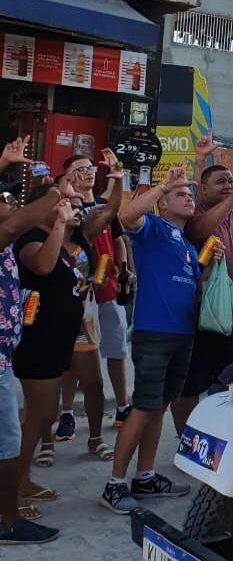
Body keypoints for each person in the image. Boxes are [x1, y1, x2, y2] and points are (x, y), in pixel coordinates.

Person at [100, 163, 223, 514]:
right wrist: (162, 186)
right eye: (180, 194)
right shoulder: (153, 227)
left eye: (189, 194)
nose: (188, 198)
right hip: (155, 333)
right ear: (163, 204)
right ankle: (114, 484)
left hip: (182, 334)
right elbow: (126, 216)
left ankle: (145, 476)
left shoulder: (186, 244)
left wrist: (210, 265)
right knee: (142, 407)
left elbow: (192, 283)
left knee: (160, 406)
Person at [13, 160, 123, 508]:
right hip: (39, 340)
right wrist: (59, 223)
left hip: (65, 335)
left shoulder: (71, 237)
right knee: (39, 416)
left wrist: (117, 180)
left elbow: (109, 214)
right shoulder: (29, 239)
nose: (70, 207)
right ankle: (11, 491)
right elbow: (43, 265)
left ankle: (20, 481)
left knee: (42, 414)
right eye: (61, 202)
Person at [0, 137, 60, 544]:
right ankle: (7, 523)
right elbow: (16, 223)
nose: (9, 202)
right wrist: (55, 193)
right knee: (7, 444)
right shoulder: (7, 232)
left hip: (5, 354)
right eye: (4, 198)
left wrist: (8, 165)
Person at [170, 164, 233, 435]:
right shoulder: (196, 214)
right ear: (203, 189)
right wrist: (232, 199)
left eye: (231, 181)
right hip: (200, 319)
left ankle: (216, 438)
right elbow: (198, 231)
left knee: (227, 385)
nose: (228, 185)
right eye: (221, 182)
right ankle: (186, 441)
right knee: (189, 386)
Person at [56, 153, 131, 438]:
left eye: (90, 167)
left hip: (108, 289)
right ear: (68, 177)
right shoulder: (67, 207)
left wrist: (123, 268)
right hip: (77, 296)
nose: (88, 172)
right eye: (80, 169)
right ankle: (66, 414)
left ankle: (122, 407)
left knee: (116, 349)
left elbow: (118, 239)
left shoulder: (102, 206)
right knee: (73, 357)